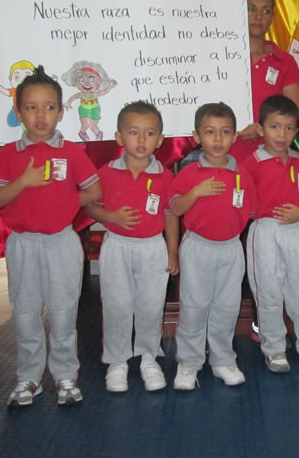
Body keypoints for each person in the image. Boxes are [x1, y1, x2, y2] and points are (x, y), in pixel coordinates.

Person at [0, 66, 101, 407]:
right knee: (25, 312)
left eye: (49, 107)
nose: (41, 115)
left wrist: (66, 200)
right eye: (31, 107)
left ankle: (65, 375)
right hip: (23, 244)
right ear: (19, 111)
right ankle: (28, 378)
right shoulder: (10, 154)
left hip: (61, 243)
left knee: (64, 312)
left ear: (61, 112)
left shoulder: (71, 152)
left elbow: (93, 192)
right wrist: (23, 182)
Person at [85, 101, 179, 393]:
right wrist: (109, 217)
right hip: (117, 247)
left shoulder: (164, 175)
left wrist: (173, 252)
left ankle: (149, 355)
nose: (141, 140)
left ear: (160, 140)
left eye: (149, 133)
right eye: (133, 132)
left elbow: (170, 214)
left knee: (151, 304)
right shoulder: (106, 172)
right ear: (119, 137)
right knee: (117, 304)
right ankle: (117, 360)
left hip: (153, 247)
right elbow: (89, 207)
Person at [170, 102, 256, 390]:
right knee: (194, 306)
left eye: (225, 132)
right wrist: (196, 192)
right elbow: (175, 209)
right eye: (210, 132)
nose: (218, 140)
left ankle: (223, 359)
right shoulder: (189, 174)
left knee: (227, 307)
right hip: (198, 247)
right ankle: (189, 361)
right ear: (197, 136)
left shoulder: (243, 175)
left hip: (231, 249)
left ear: (235, 137)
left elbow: (250, 211)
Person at [242, 95, 299, 374]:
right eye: (275, 127)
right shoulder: (251, 162)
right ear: (261, 128)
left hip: (297, 231)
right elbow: (241, 199)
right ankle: (274, 347)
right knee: (268, 291)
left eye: (289, 128)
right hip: (264, 231)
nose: (282, 134)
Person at [231, 0, 299, 163]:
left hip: (269, 158)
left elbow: (298, 114)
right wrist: (238, 132)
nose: (258, 17)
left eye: (265, 11)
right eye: (251, 9)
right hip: (224, 155)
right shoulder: (221, 57)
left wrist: (262, 129)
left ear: (272, 17)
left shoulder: (284, 62)